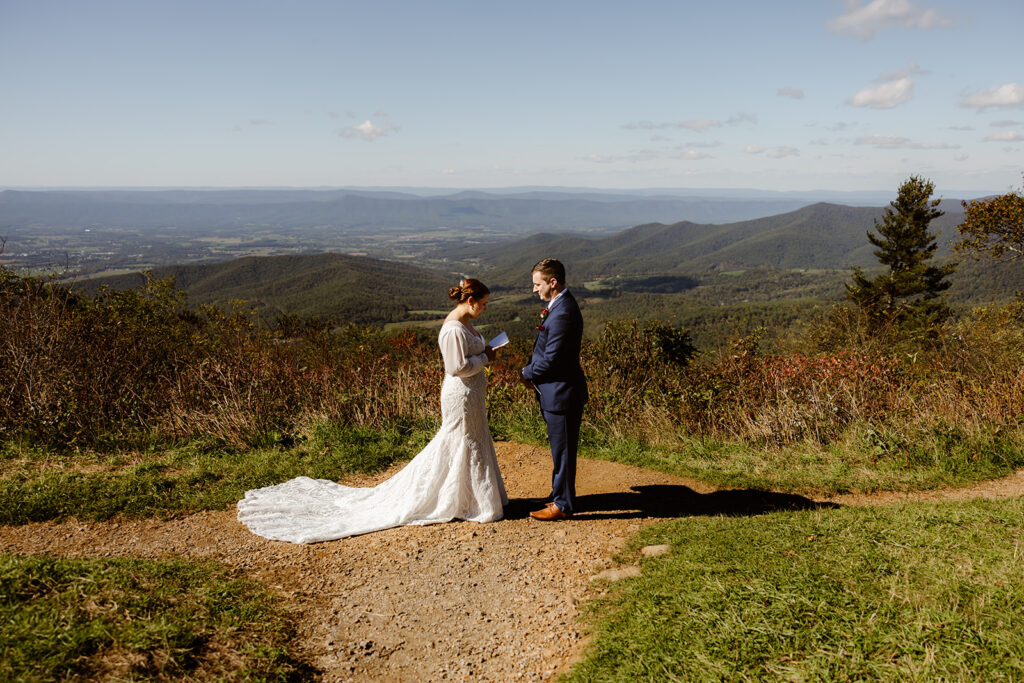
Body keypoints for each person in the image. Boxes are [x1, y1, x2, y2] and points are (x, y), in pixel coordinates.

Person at [237, 279, 507, 543]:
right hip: (460, 395)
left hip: (472, 394)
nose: (484, 308)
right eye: (482, 304)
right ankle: (460, 499)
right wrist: (486, 357)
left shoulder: (466, 325)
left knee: (470, 439)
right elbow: (455, 368)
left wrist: (483, 351)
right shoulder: (453, 330)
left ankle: (468, 497)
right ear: (469, 300)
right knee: (460, 440)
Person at [520, 258, 588, 521]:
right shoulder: (558, 306)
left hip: (562, 394)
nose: (534, 289)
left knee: (563, 451)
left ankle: (563, 504)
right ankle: (561, 496)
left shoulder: (563, 312)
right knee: (560, 449)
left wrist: (526, 373)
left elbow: (553, 358)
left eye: (538, 284)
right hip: (556, 392)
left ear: (553, 282)